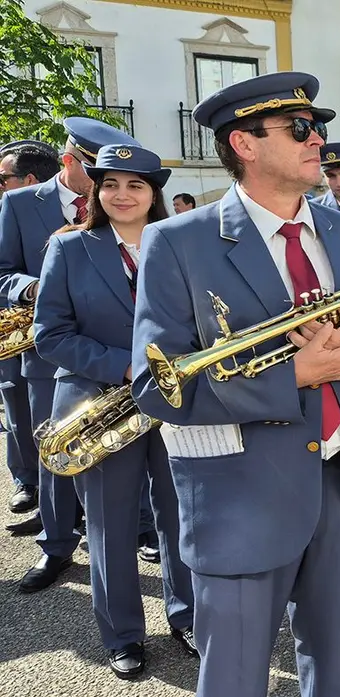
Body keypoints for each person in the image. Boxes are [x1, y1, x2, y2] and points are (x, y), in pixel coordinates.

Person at [129, 71, 340, 697]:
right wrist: (297, 375)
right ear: (246, 144)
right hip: (242, 493)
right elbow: (155, 387)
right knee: (232, 676)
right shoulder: (178, 240)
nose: (320, 142)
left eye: (318, 128)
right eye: (302, 130)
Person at [33, 144, 196, 678]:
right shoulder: (70, 248)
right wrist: (125, 368)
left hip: (174, 403)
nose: (122, 195)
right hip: (98, 405)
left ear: (155, 193)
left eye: (136, 185)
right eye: (110, 185)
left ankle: (187, 615)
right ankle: (122, 634)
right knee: (110, 525)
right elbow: (49, 335)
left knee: (180, 517)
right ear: (96, 192)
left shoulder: (180, 244)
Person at [0, 117, 138, 592]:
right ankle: (56, 545)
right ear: (68, 161)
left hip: (121, 353)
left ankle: (137, 530)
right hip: (50, 356)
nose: (108, 183)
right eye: (94, 170)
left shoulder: (122, 206)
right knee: (55, 453)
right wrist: (33, 287)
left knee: (126, 448)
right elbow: (1, 274)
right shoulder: (19, 203)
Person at [0, 140, 59, 523]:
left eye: (3, 178)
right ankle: (28, 483)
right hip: (13, 328)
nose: (0, 185)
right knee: (17, 410)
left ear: (30, 178)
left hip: (51, 331)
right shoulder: (10, 209)